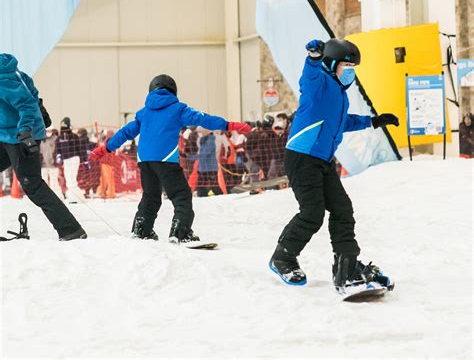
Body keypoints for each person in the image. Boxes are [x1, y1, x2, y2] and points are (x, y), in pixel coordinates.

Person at [269, 39, 398, 292]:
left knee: (342, 209)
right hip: (302, 157)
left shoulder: (340, 94)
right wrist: (313, 58)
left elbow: (341, 122)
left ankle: (347, 265)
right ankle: (282, 257)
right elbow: (309, 78)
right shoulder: (319, 85)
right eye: (346, 65)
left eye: (353, 66)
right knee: (312, 212)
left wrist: (373, 121)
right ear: (331, 64)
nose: (350, 70)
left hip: (323, 161)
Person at [90, 74, 251, 242]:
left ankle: (141, 230)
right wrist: (229, 125)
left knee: (150, 196)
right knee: (181, 195)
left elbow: (125, 133)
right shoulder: (178, 109)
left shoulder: (143, 113)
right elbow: (204, 119)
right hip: (165, 159)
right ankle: (180, 233)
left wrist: (104, 149)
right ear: (173, 90)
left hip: (144, 160)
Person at [0, 53, 86, 240]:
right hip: (6, 135)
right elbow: (34, 97)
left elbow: (26, 104)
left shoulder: (4, 80)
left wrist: (25, 132)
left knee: (33, 184)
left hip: (20, 137)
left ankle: (71, 229)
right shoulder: (20, 75)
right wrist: (43, 112)